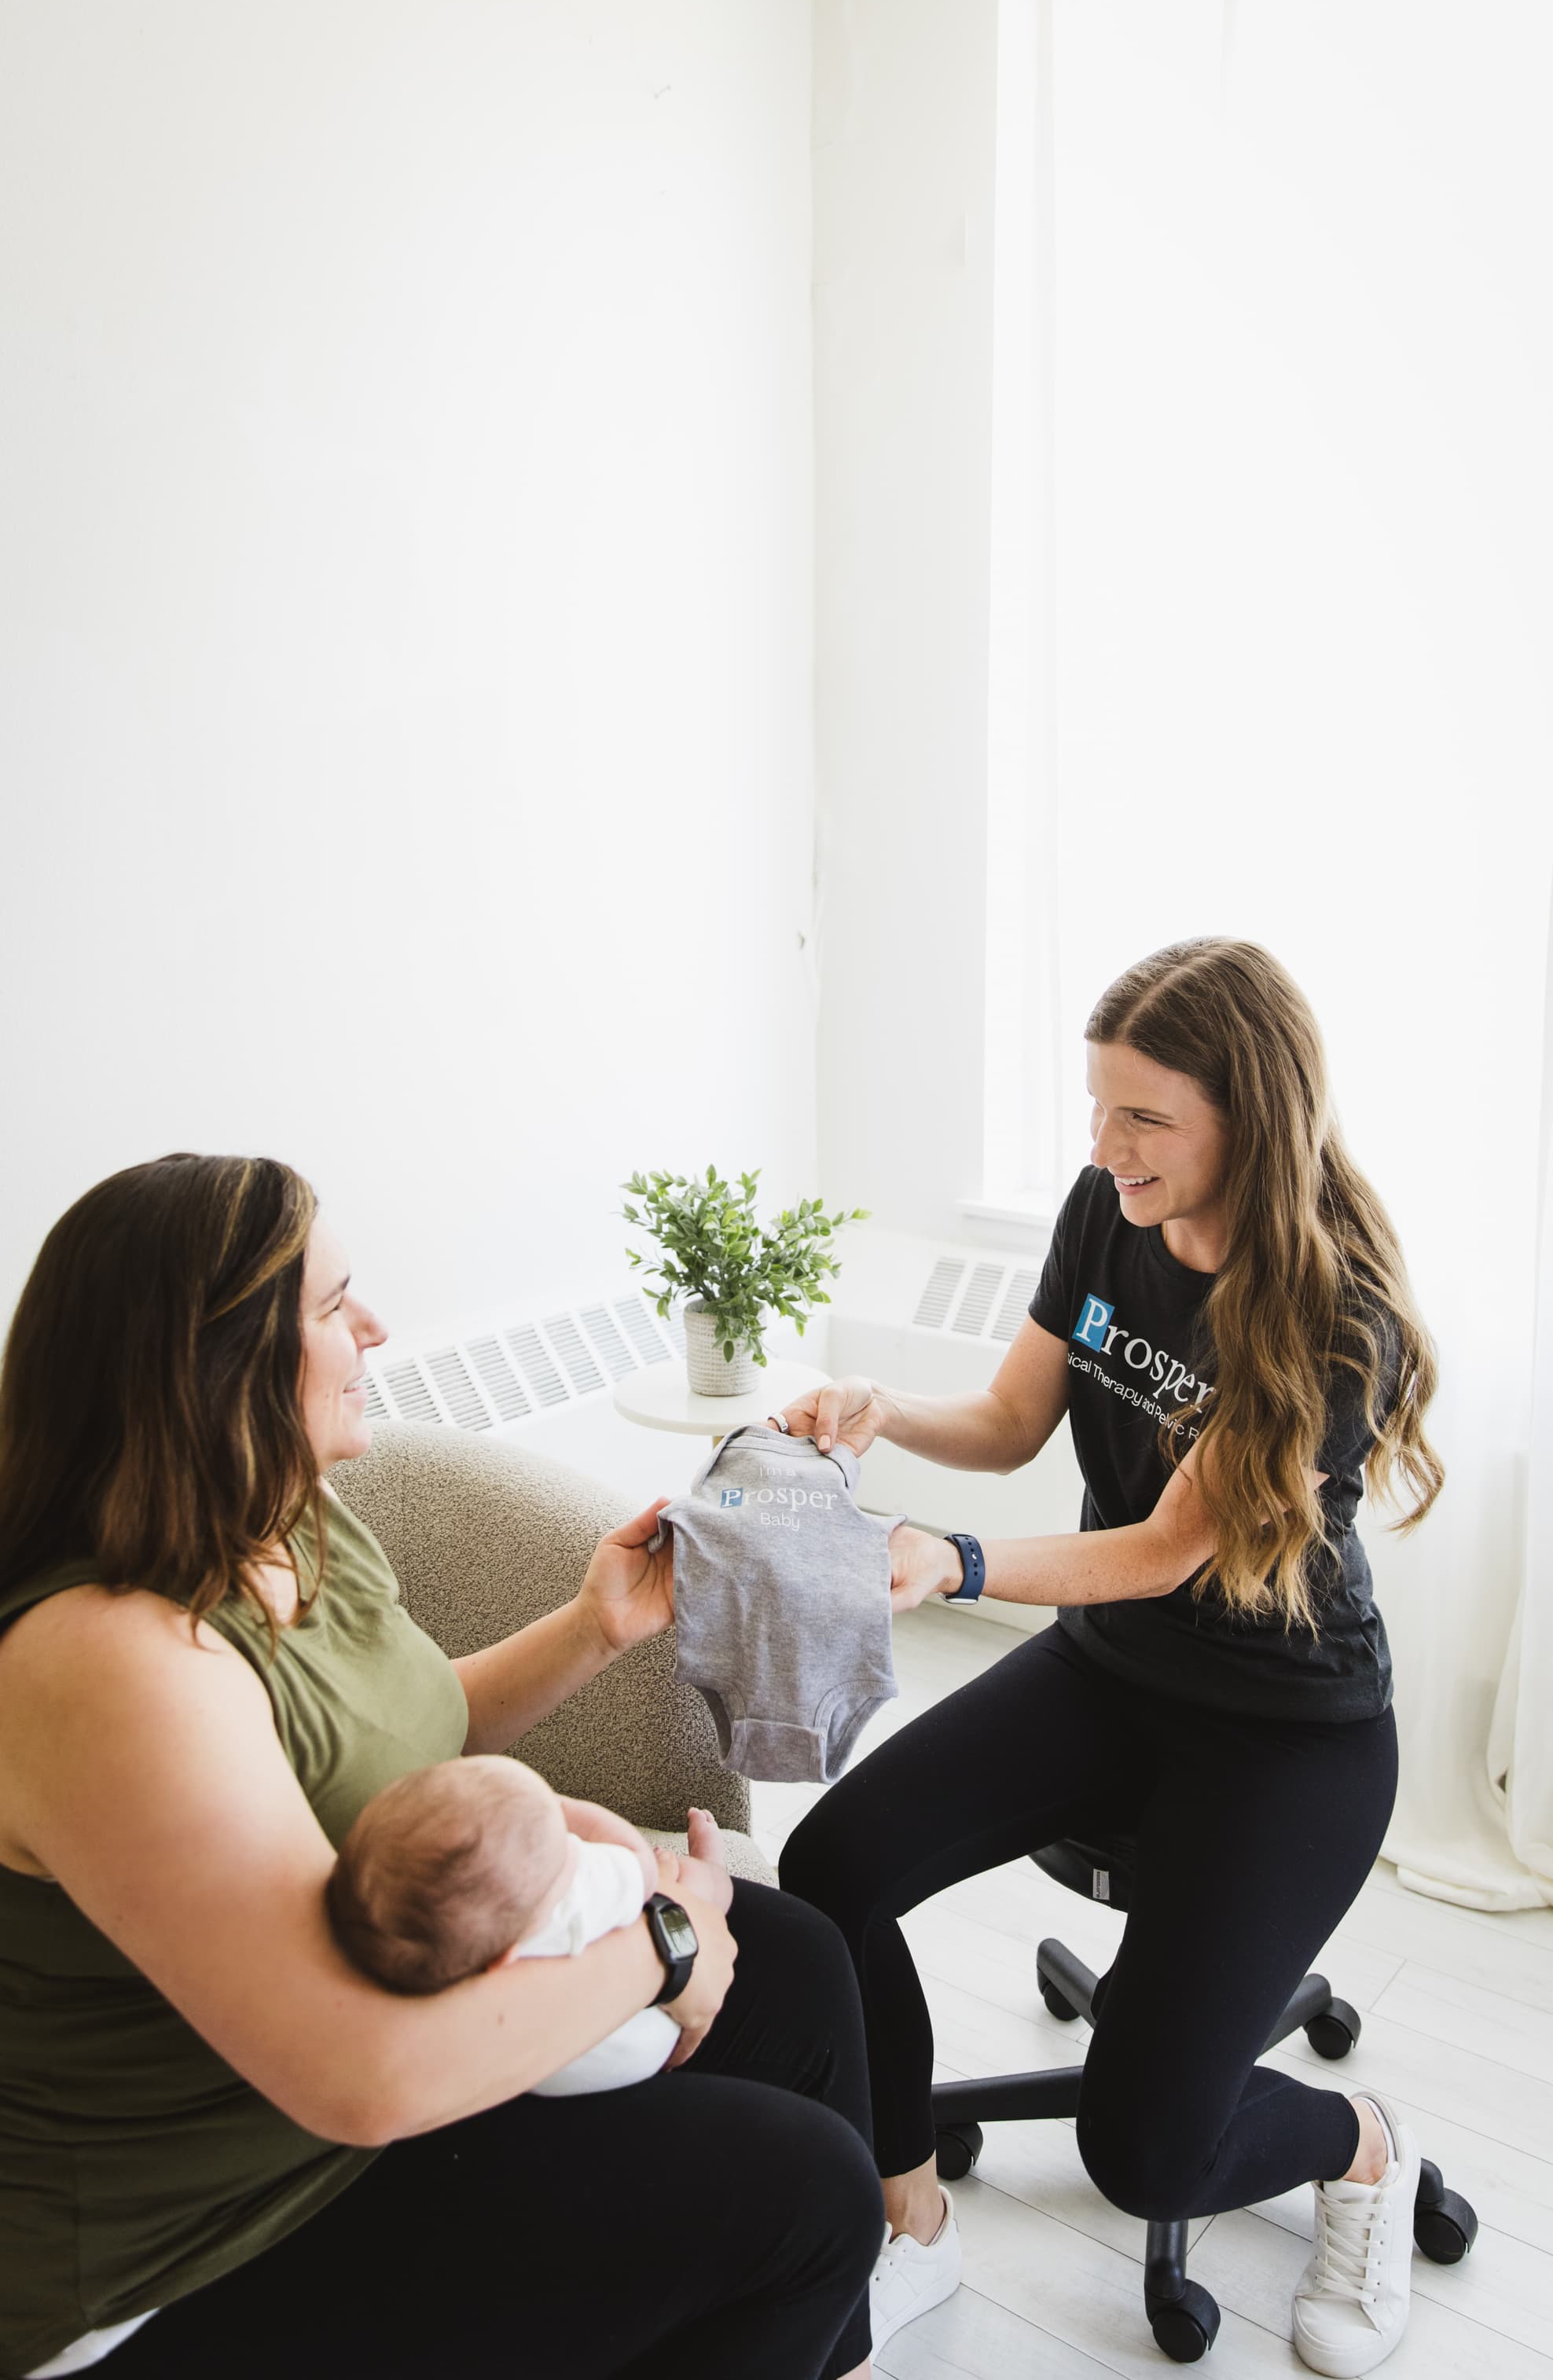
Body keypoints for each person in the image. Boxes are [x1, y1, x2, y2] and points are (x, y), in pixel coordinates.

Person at [0, 1154, 884, 2380]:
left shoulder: (288, 1516)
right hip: (186, 2255)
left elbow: (414, 1731)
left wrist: (596, 1626)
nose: (375, 1328)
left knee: (797, 1961)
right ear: (215, 1363)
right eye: (331, 1307)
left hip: (331, 2114)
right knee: (802, 2190)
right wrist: (663, 1947)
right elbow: (364, 2079)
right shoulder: (110, 1660)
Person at [779, 938, 1444, 2378]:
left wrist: (952, 1561)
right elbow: (1018, 1421)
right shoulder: (1103, 1211)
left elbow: (1163, 1545)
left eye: (1142, 1116)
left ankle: (1361, 2146)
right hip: (1109, 1675)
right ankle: (911, 2218)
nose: (1104, 1146)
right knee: (833, 1871)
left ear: (1247, 1118)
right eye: (1095, 1107)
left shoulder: (1332, 1312)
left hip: (1286, 1731)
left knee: (1143, 2147)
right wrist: (883, 1406)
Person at [327, 1757, 734, 2098]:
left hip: (555, 2073)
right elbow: (639, 1861)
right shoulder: (567, 1906)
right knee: (694, 1884)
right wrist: (557, 1810)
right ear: (505, 1957)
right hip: (651, 2031)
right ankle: (713, 1866)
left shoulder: (450, 1944)